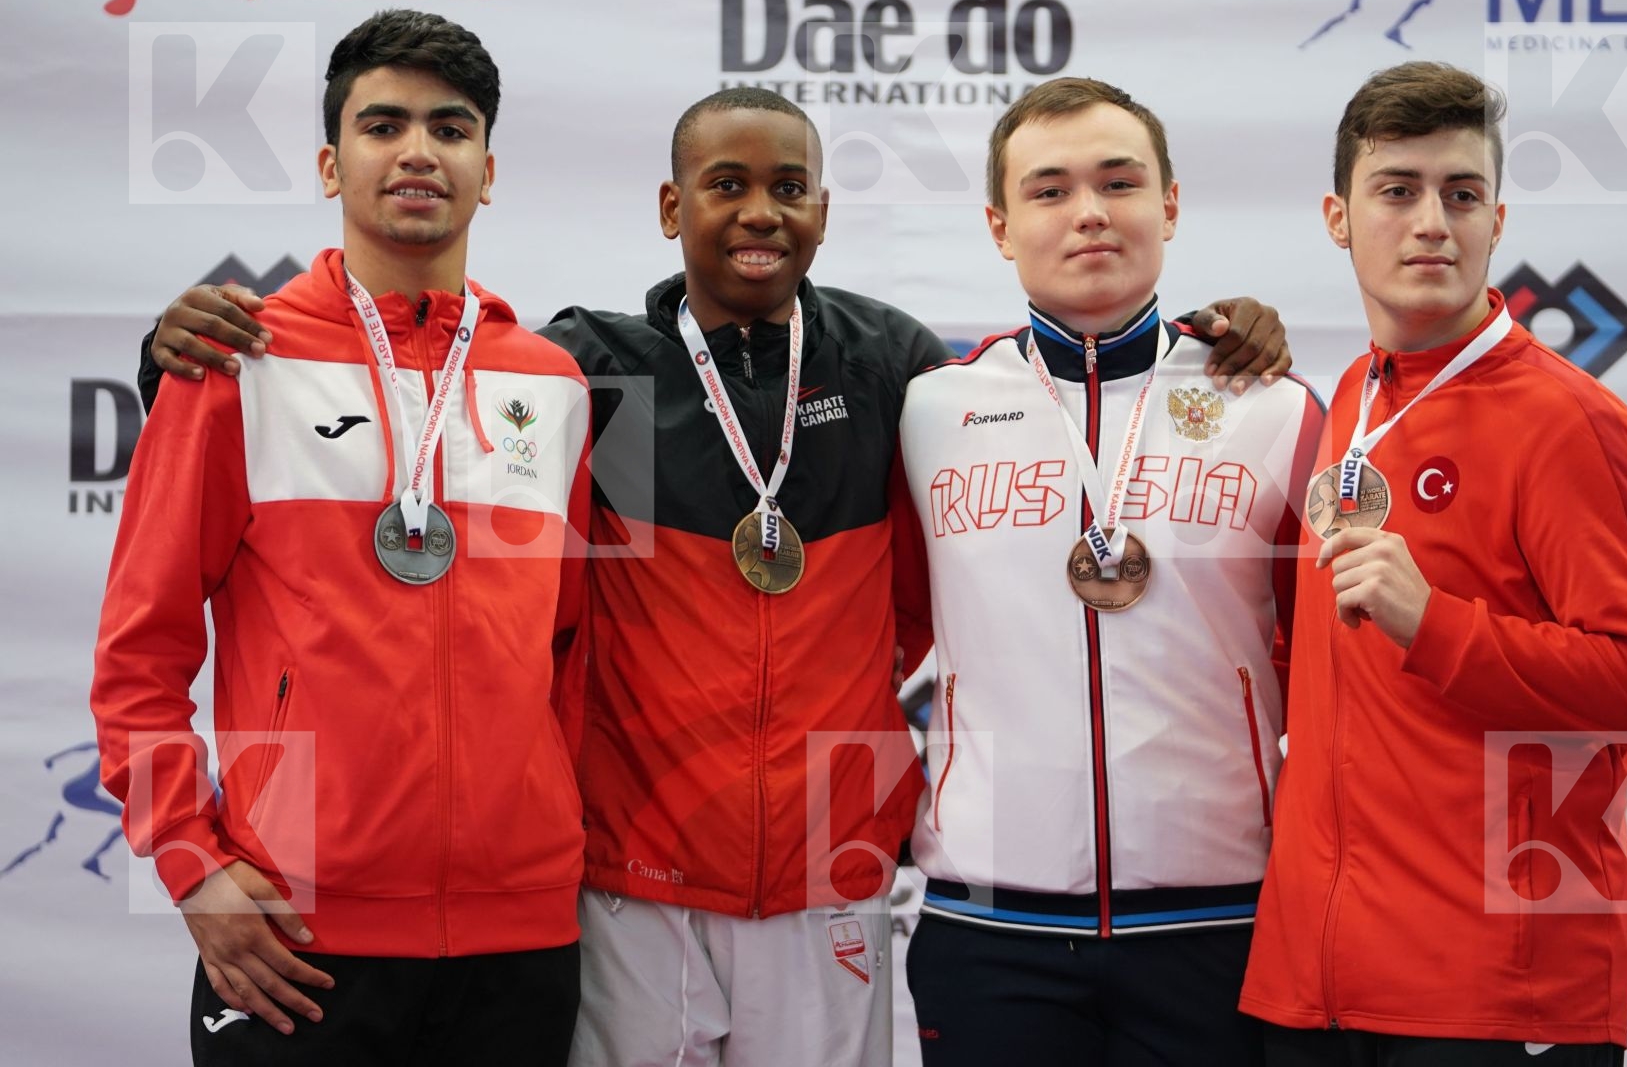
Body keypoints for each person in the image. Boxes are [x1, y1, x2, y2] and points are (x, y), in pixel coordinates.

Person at [141, 87, 1294, 1067]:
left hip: (827, 883)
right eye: (725, 184)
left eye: (789, 188)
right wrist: (170, 359)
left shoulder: (899, 368)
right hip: (629, 880)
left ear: (824, 213)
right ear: (669, 207)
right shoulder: (587, 371)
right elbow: (403, 414)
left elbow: (1035, 428)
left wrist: (1228, 334)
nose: (759, 213)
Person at [92, 9, 593, 1065]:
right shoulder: (235, 363)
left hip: (524, 936)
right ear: (332, 161)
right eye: (384, 125)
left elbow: (573, 654)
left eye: (450, 129)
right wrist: (191, 861)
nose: (418, 151)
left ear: (488, 170)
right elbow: (140, 657)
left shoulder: (550, 384)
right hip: (297, 932)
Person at [1238, 61, 1627, 1066]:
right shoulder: (1353, 398)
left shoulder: (1569, 423)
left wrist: (1439, 624)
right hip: (1320, 988)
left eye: (1461, 195)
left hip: (1497, 1000)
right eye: (1398, 190)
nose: (1431, 222)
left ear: (1496, 222)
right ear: (1338, 217)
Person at [893, 78, 1322, 1066]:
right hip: (990, 926)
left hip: (1220, 924)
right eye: (1049, 191)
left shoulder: (1276, 408)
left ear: (1169, 205)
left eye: (1118, 182)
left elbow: (1330, 661)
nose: (1088, 212)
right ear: (1001, 226)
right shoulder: (928, 409)